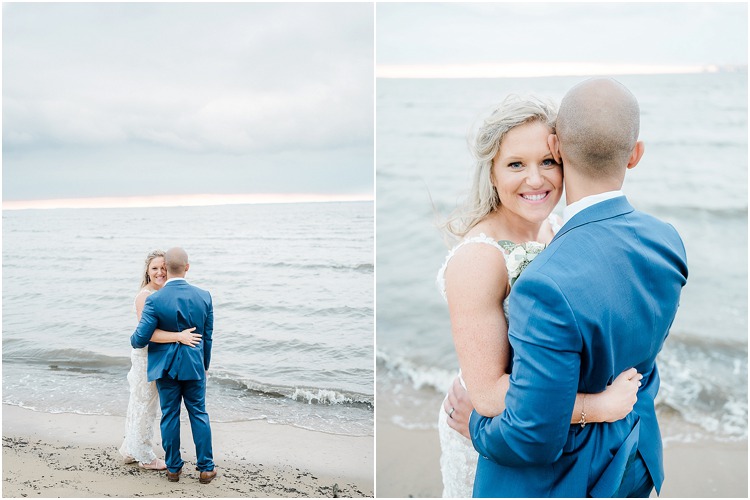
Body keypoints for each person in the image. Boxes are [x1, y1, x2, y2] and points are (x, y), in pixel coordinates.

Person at [467, 78, 688, 497]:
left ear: (556, 148)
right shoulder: (667, 240)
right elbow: (639, 357)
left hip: (567, 479)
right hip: (635, 456)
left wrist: (473, 425)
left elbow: (531, 437)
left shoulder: (546, 284)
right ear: (636, 154)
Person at [436, 95, 644, 497]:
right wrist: (597, 408)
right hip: (494, 428)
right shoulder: (479, 259)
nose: (535, 180)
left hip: (543, 425)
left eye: (547, 162)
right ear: (492, 172)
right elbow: (489, 393)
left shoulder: (557, 228)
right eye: (516, 164)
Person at [131, 247, 217, 484]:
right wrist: (205, 365)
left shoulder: (154, 299)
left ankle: (173, 469)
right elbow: (208, 337)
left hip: (165, 368)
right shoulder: (204, 296)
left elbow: (139, 340)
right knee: (199, 414)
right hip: (194, 367)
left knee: (169, 415)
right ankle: (206, 468)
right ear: (187, 267)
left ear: (166, 269)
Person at [119, 249, 202, 470]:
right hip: (147, 358)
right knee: (144, 406)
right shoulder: (146, 296)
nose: (160, 272)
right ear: (147, 271)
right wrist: (180, 336)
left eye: (163, 268)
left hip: (159, 357)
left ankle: (131, 448)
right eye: (155, 268)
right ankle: (145, 457)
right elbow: (147, 335)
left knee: (142, 404)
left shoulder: (162, 294)